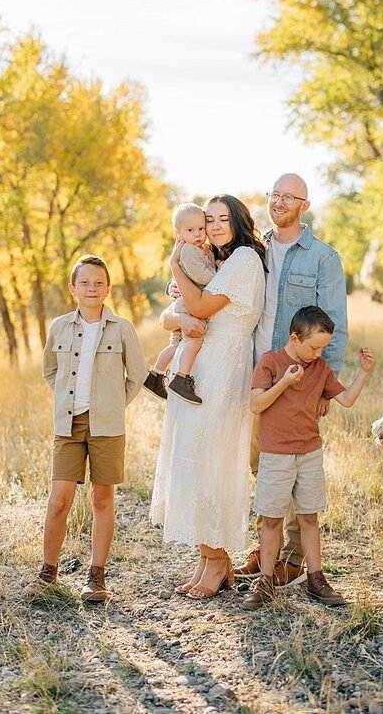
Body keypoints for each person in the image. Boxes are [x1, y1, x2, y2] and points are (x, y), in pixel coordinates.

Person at [149, 195, 268, 599]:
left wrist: (174, 264)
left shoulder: (245, 261)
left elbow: (198, 304)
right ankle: (205, 557)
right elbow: (178, 312)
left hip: (224, 366)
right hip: (200, 364)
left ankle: (218, 559)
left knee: (210, 461)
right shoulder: (215, 262)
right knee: (191, 458)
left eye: (221, 219)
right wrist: (179, 311)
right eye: (208, 220)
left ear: (237, 221)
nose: (214, 226)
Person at [239, 173, 349, 588]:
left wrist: (326, 383)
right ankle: (269, 549)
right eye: (274, 195)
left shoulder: (323, 257)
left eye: (289, 197)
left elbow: (334, 320)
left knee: (297, 465)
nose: (279, 202)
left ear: (304, 204)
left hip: (301, 380)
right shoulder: (254, 250)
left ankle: (292, 557)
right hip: (259, 375)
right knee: (262, 464)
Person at [242, 306, 375, 609]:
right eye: (314, 346)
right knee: (272, 519)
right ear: (294, 338)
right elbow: (255, 404)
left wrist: (364, 371)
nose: (318, 352)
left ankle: (316, 578)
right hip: (275, 455)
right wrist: (284, 383)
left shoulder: (321, 368)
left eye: (323, 347)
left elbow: (347, 400)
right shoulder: (270, 362)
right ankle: (265, 581)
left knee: (308, 517)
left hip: (309, 453)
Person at [33, 255, 147, 602]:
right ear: (73, 289)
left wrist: (112, 406)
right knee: (59, 500)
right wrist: (68, 401)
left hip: (107, 426)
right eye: (85, 283)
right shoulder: (59, 327)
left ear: (108, 288)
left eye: (99, 282)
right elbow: (49, 370)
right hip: (68, 425)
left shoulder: (122, 328)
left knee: (102, 497)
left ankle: (96, 577)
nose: (92, 288)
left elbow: (138, 374)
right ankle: (47, 574)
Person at [144, 203, 217, 404]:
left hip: (183, 302)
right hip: (188, 305)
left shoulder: (197, 248)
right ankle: (181, 378)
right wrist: (218, 274)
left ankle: (156, 374)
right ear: (178, 233)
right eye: (191, 230)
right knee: (194, 340)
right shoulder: (189, 251)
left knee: (176, 344)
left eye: (201, 229)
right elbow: (201, 276)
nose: (198, 234)